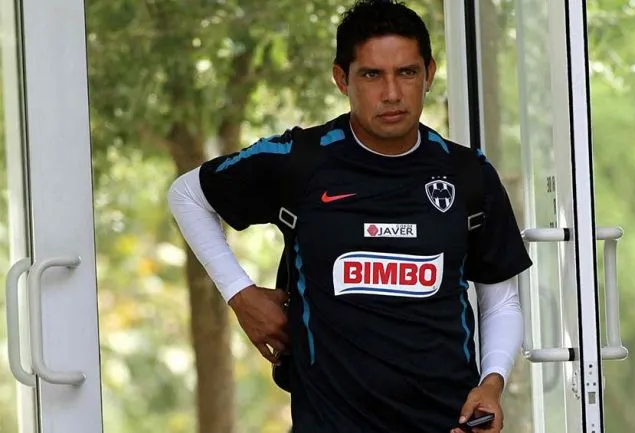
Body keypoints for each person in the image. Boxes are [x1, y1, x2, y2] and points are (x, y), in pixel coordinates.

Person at [167, 1, 532, 431]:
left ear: (429, 73)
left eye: (407, 72)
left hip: (446, 422)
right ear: (342, 79)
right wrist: (241, 296)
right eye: (372, 75)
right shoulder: (299, 161)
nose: (392, 93)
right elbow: (187, 195)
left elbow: (500, 301)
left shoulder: (469, 174)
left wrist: (492, 383)